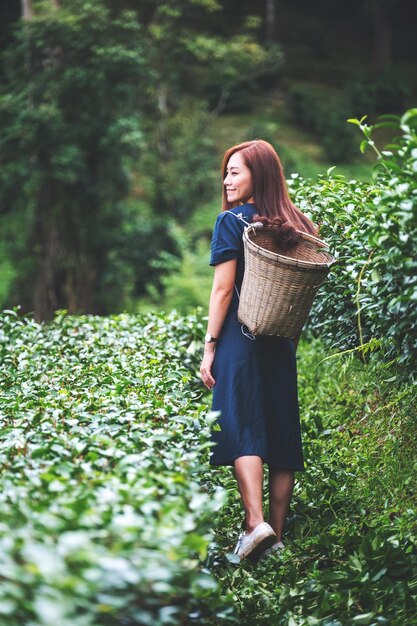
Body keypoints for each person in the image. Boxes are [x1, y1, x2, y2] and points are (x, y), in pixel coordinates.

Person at [200, 139, 318, 561]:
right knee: (281, 432)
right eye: (226, 172)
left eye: (236, 171)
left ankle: (255, 525)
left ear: (258, 175)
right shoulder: (297, 224)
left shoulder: (232, 221)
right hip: (281, 342)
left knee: (242, 423)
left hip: (240, 337)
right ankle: (278, 538)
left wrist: (210, 345)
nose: (227, 180)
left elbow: (223, 289)